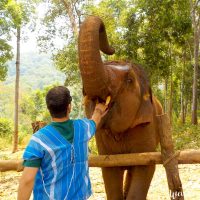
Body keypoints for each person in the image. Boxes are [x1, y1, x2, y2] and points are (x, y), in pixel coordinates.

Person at [17, 86, 108, 200]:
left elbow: (27, 180)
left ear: (49, 108)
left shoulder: (39, 140)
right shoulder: (83, 128)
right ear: (69, 107)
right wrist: (99, 110)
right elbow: (95, 120)